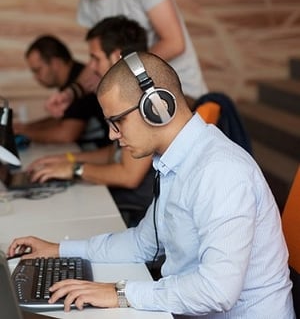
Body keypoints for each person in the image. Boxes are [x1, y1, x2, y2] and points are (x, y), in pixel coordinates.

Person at [8, 52, 295, 318]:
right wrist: (60, 250)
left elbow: (216, 291)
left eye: (117, 121)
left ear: (157, 106)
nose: (111, 135)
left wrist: (119, 293)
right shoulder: (175, 162)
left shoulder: (220, 171)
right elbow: (141, 244)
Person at [28, 17, 155, 226]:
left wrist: (75, 169)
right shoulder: (128, 92)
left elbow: (128, 175)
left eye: (95, 58)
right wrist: (66, 159)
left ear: (116, 56)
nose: (91, 67)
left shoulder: (141, 99)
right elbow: (114, 153)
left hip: (141, 211)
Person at [46, 0, 208, 117]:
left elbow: (174, 43)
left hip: (182, 95)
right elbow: (99, 57)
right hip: (138, 97)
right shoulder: (87, 3)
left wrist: (120, 70)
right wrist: (71, 92)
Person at [14, 35, 111, 151]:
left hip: (104, 152)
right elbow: (63, 119)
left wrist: (24, 133)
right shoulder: (72, 80)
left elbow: (66, 135)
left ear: (55, 63)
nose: (35, 77)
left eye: (37, 70)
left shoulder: (80, 81)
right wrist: (26, 127)